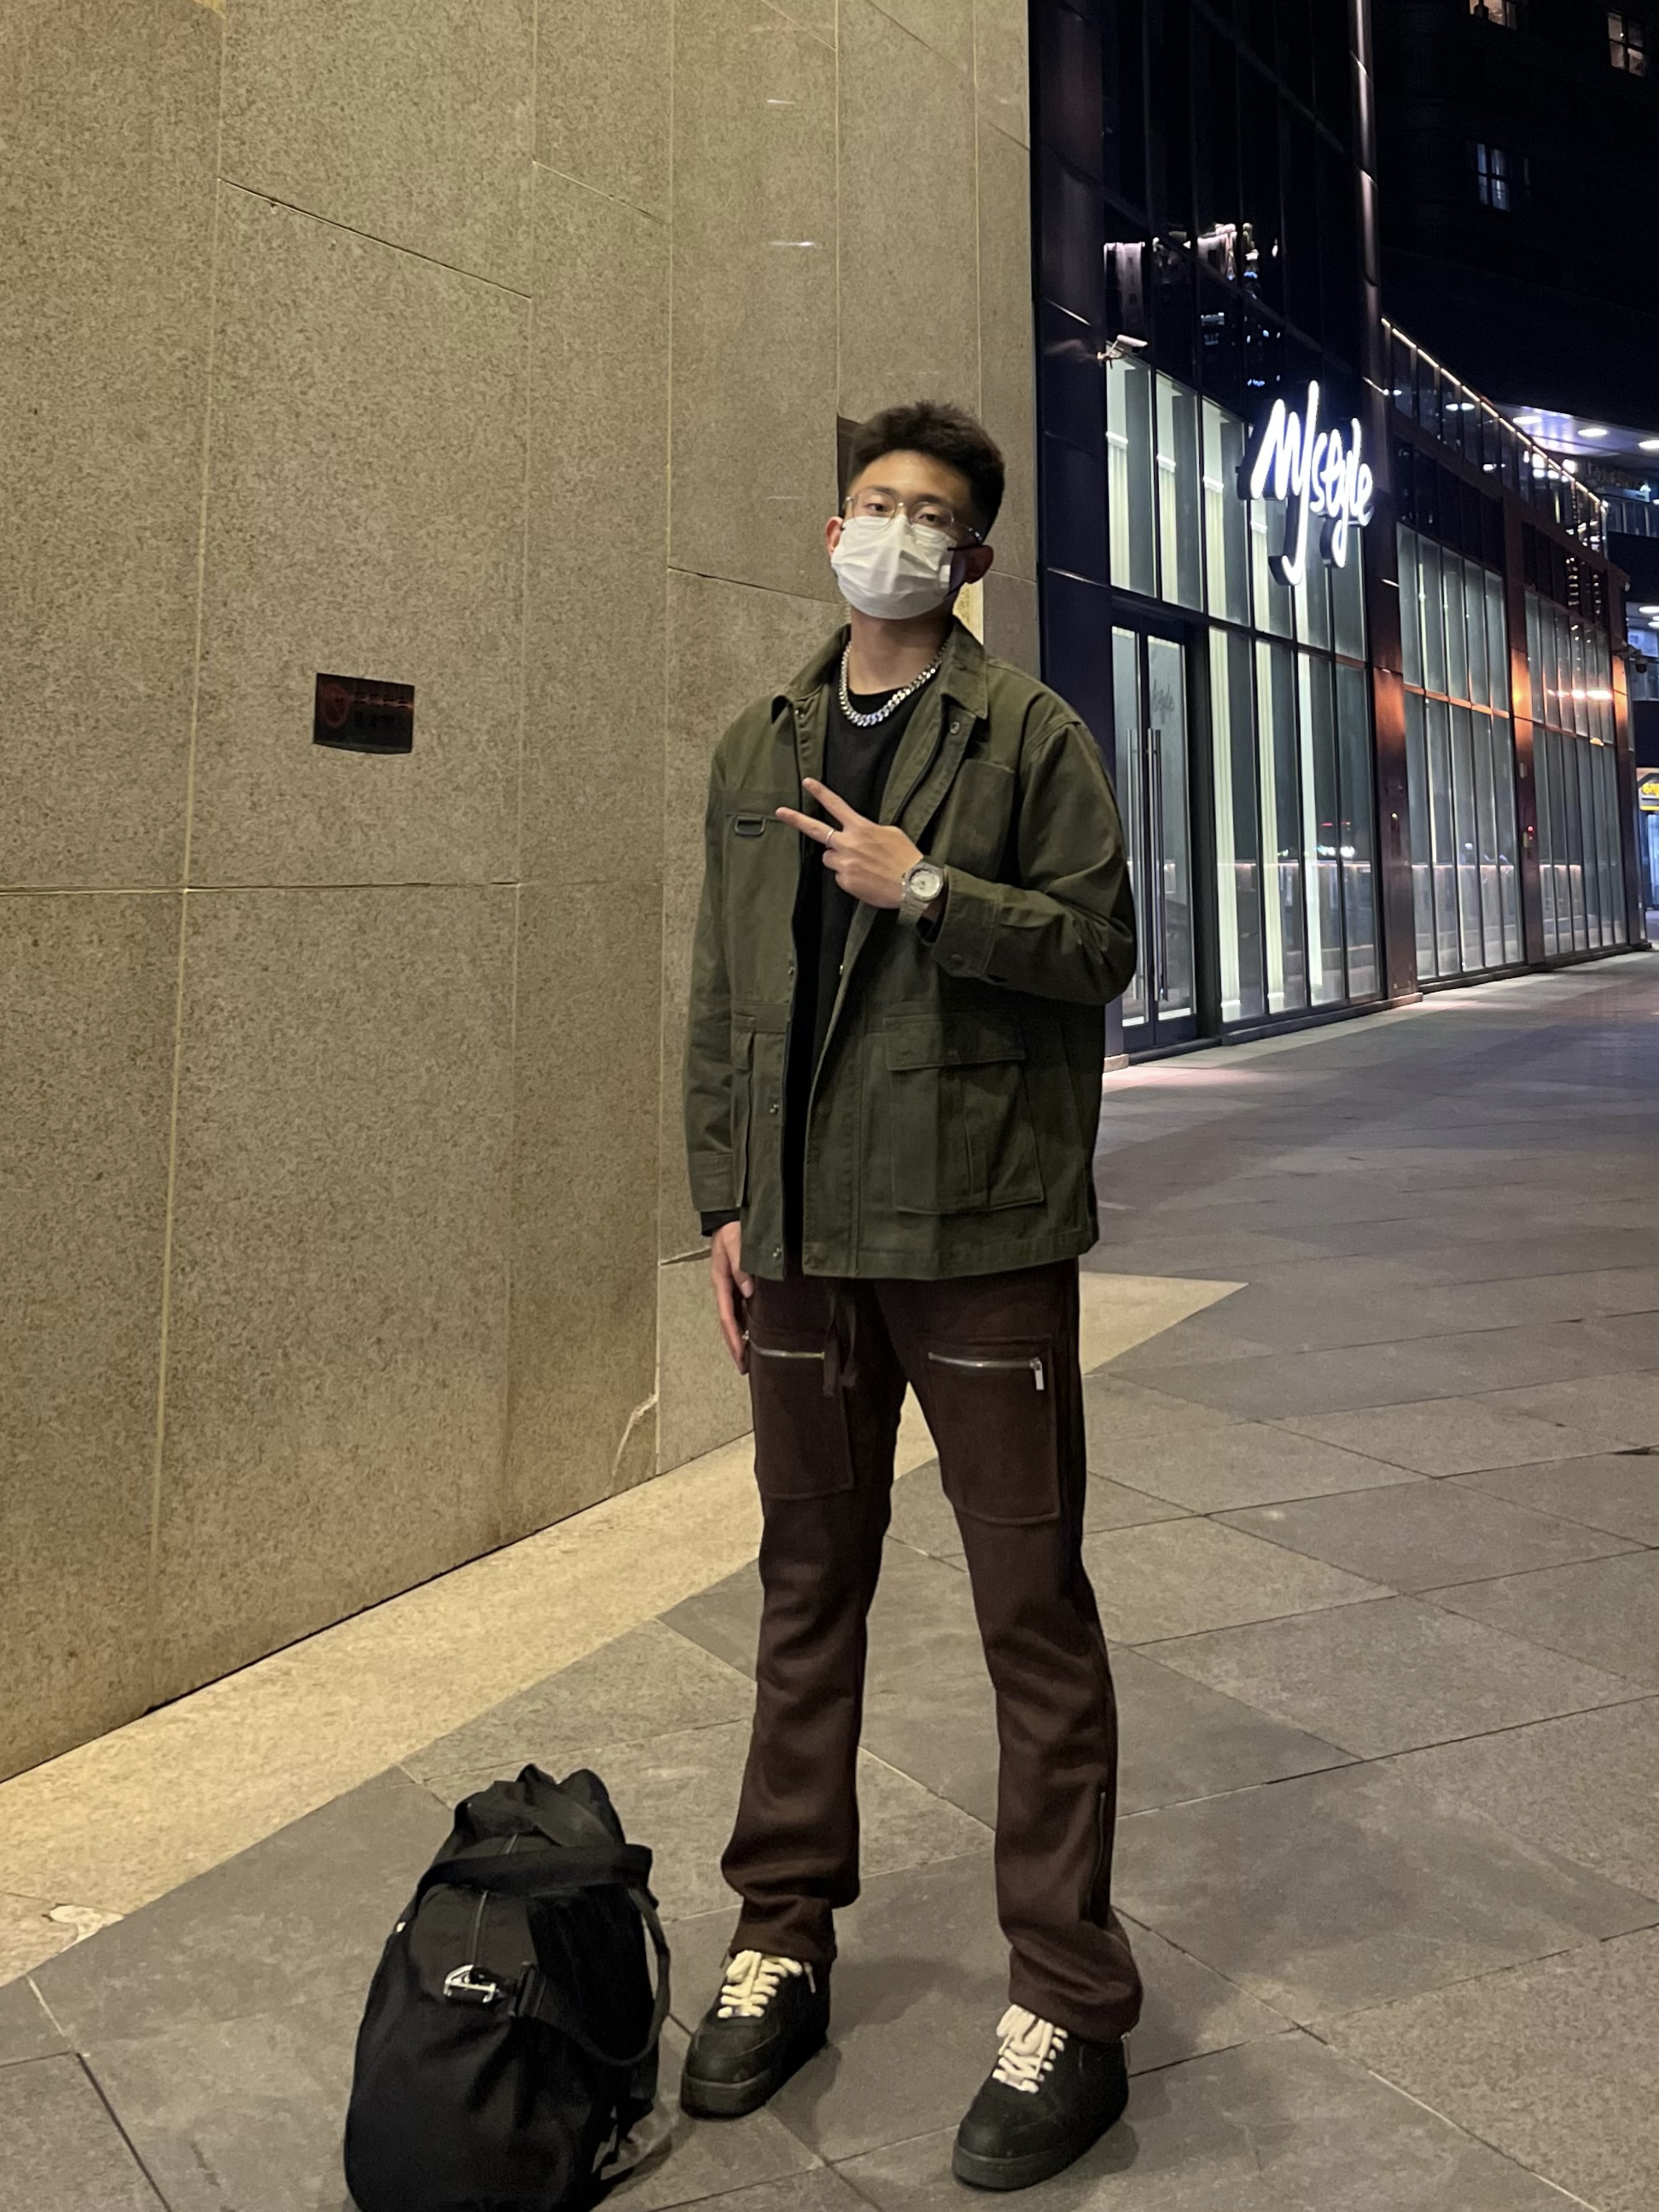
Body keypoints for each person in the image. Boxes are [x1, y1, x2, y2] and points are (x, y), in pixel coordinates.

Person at [678, 399, 1141, 2192]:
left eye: (930, 514)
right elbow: (724, 990)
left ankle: (1069, 2000)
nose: (894, 532)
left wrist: (930, 886)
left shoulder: (1027, 733)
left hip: (978, 1231)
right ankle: (780, 1936)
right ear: (831, 534)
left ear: (974, 558)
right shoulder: (759, 741)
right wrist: (727, 1199)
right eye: (873, 503)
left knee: (1031, 1609)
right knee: (807, 1586)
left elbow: (1097, 949)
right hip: (801, 1237)